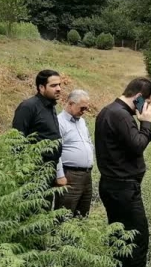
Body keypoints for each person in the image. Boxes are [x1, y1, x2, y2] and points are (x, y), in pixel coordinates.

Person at [94, 77, 151, 267]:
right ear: (139, 97)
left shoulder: (108, 111)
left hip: (114, 185)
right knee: (137, 239)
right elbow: (137, 144)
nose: (148, 109)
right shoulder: (120, 115)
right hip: (123, 188)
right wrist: (147, 123)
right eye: (148, 103)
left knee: (119, 237)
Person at [12, 70, 66, 206]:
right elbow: (16, 139)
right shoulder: (28, 107)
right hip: (33, 174)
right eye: (53, 86)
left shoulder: (50, 107)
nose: (59, 88)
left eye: (59, 85)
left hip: (49, 171)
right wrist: (24, 172)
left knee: (44, 212)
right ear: (41, 87)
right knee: (32, 213)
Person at [55, 89, 95, 218]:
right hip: (70, 175)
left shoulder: (81, 122)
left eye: (86, 108)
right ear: (71, 104)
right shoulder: (59, 122)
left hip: (86, 175)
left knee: (82, 215)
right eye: (82, 108)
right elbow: (55, 151)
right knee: (64, 214)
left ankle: (78, 238)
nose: (84, 112)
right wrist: (60, 175)